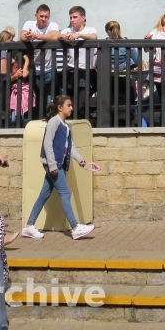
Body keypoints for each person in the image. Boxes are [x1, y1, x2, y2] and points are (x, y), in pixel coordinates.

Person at [22, 95, 100, 240]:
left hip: (57, 164)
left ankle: (28, 226)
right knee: (65, 193)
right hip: (54, 164)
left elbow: (71, 147)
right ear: (60, 108)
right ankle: (75, 227)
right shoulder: (54, 122)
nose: (71, 108)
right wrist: (52, 165)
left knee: (44, 194)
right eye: (68, 105)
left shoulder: (66, 126)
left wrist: (81, 160)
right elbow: (47, 143)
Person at [22, 4, 61, 113]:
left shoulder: (52, 25)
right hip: (34, 67)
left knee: (49, 97)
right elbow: (22, 36)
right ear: (36, 16)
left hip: (49, 68)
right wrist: (29, 35)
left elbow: (54, 36)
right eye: (41, 16)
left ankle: (49, 119)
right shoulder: (29, 24)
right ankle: (38, 120)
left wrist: (35, 36)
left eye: (46, 16)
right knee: (36, 96)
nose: (43, 19)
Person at [60, 6, 98, 113]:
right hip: (71, 71)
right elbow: (59, 36)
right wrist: (66, 36)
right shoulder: (68, 30)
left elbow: (94, 36)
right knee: (69, 102)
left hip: (86, 72)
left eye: (75, 17)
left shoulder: (90, 29)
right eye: (71, 17)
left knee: (81, 102)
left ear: (83, 18)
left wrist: (78, 35)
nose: (72, 20)